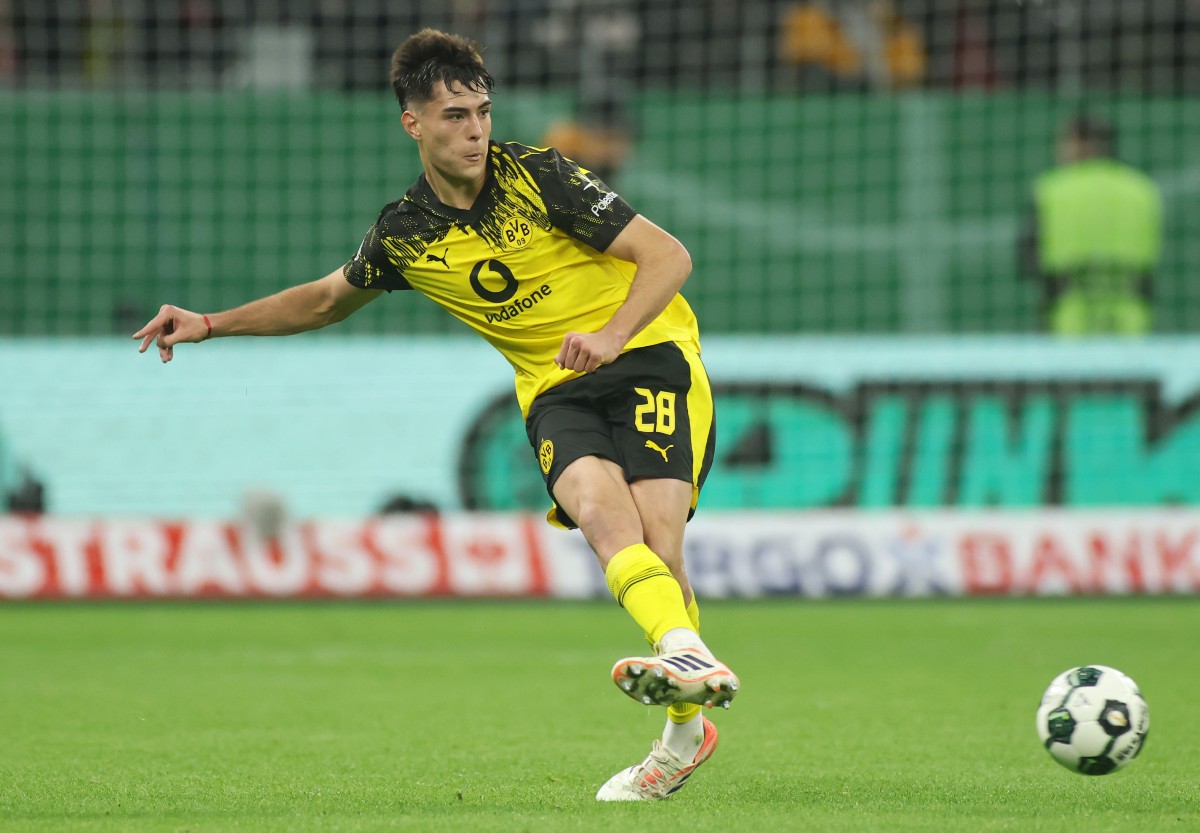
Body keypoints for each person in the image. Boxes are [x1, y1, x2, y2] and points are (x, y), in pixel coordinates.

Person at [133, 28, 738, 802]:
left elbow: (670, 256)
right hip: (554, 389)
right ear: (412, 122)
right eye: (454, 115)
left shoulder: (540, 176)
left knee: (660, 538)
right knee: (600, 517)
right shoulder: (406, 235)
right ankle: (686, 661)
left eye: (482, 111)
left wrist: (612, 333)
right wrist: (211, 321)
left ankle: (683, 727)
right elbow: (323, 300)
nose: (475, 129)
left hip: (649, 352)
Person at [1019, 114, 1163, 335]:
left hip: (1067, 327)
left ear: (1080, 143)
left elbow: (1028, 260)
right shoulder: (1143, 190)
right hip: (1131, 329)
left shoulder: (1051, 190)